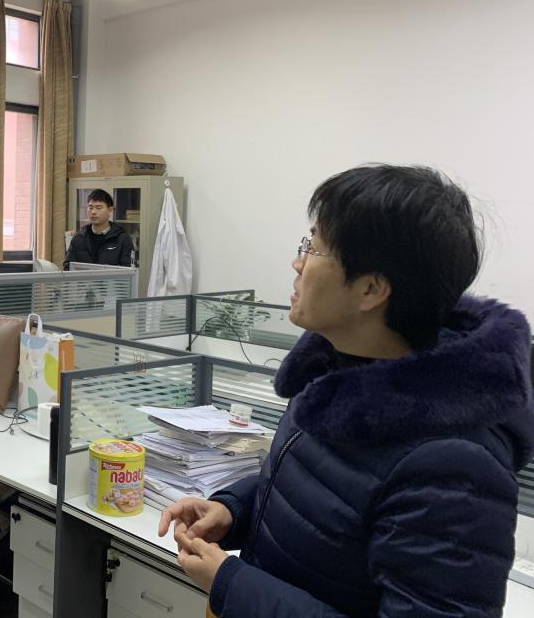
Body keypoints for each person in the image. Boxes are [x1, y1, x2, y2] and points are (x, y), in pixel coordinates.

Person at [158, 164, 534, 617]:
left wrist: (234, 584)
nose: (298, 263)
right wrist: (235, 510)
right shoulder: (336, 372)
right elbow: (324, 493)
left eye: (314, 248)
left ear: (371, 289)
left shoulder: (454, 465)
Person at [64, 188, 136, 269]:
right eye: (90, 207)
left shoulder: (122, 239)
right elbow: (68, 267)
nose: (93, 212)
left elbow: (129, 271)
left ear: (110, 210)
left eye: (98, 208)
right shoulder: (78, 238)